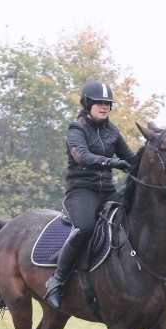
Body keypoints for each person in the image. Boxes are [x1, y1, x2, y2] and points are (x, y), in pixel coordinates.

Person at [43, 81, 136, 309]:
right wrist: (112, 162)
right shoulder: (76, 129)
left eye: (107, 104)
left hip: (107, 192)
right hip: (82, 191)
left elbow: (132, 159)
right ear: (87, 104)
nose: (104, 107)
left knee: (136, 215)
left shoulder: (112, 131)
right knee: (85, 228)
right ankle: (56, 281)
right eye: (99, 103)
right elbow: (82, 157)